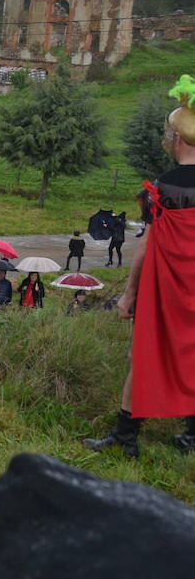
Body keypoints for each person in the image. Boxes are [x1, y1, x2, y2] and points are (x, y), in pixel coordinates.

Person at [85, 76, 195, 458]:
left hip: (165, 288)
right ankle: (192, 436)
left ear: (178, 140)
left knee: (142, 354)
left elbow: (148, 246)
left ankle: (125, 437)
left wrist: (129, 294)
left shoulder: (162, 188)